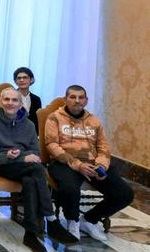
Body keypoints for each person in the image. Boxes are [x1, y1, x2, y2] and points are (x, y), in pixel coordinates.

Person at [0, 89, 72, 252]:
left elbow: (36, 153)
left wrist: (23, 157)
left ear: (20, 103)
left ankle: (30, 234)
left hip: (26, 167)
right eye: (6, 100)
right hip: (1, 166)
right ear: (1, 102)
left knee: (30, 181)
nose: (10, 103)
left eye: (14, 100)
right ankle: (51, 220)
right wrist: (16, 157)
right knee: (37, 169)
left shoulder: (29, 124)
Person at [45, 85, 134, 242]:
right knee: (69, 188)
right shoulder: (54, 118)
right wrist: (78, 165)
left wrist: (101, 165)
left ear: (86, 101)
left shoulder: (94, 120)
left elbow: (103, 147)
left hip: (93, 163)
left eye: (81, 97)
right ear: (65, 99)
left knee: (125, 193)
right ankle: (73, 221)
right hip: (64, 163)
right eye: (72, 97)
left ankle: (89, 220)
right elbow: (52, 145)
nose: (77, 101)